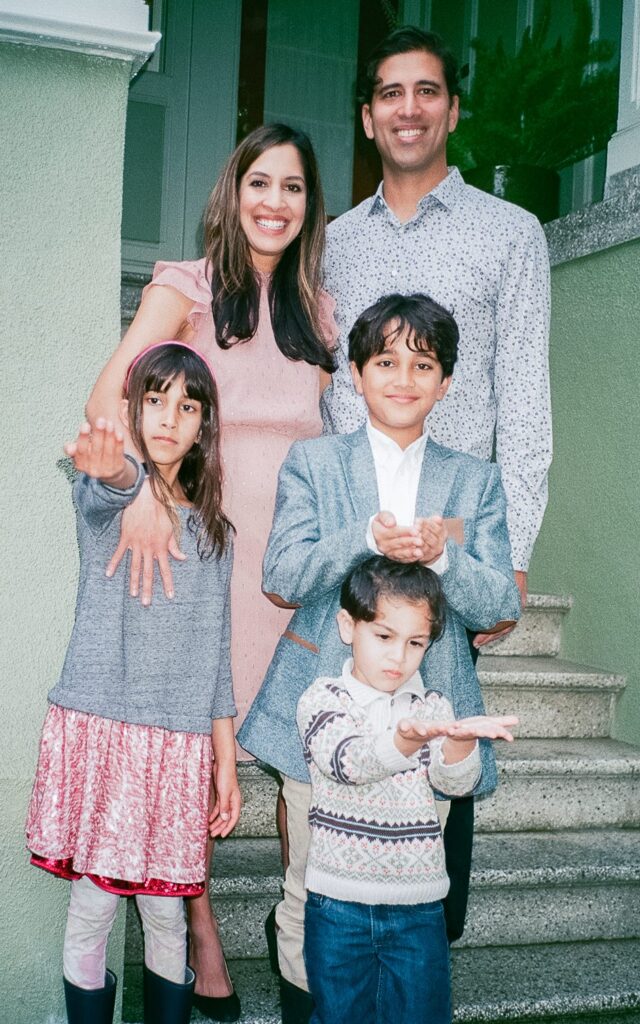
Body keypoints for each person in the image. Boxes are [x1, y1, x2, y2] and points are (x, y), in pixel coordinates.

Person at [86, 124, 336, 1019]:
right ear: (231, 193)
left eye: (294, 187)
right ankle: (200, 939)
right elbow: (109, 395)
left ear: (311, 205)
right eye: (259, 182)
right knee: (192, 757)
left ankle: (299, 930)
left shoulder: (320, 307)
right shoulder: (184, 288)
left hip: (295, 571)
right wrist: (152, 496)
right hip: (206, 560)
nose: (275, 202)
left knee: (292, 760)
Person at [321, 24, 551, 941]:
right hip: (361, 536)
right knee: (357, 718)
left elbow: (525, 400)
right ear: (369, 116)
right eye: (389, 93)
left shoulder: (512, 234)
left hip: (457, 538)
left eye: (426, 92)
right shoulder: (334, 242)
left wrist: (513, 556)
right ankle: (340, 918)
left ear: (452, 109)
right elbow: (332, 388)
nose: (407, 108)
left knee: (443, 728)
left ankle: (429, 932)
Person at [238, 293, 521, 1020]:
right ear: (356, 376)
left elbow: (499, 606)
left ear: (446, 382)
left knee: (421, 895)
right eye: (385, 361)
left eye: (422, 364)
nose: (404, 377)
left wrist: (446, 557)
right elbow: (283, 576)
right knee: (308, 883)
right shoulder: (315, 463)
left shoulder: (474, 479)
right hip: (322, 710)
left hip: (429, 718)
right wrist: (362, 535)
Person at [25, 343, 238, 1024]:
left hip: (177, 749)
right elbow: (110, 475)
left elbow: (218, 657)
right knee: (91, 907)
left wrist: (225, 766)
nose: (169, 417)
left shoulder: (216, 534)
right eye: (155, 400)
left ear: (204, 424)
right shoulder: (106, 498)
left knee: (166, 912)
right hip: (102, 730)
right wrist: (126, 473)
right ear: (134, 409)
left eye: (187, 405)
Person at [299, 557, 518, 1024]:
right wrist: (406, 738)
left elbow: (452, 783)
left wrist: (459, 743)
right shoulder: (323, 697)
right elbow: (348, 761)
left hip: (419, 909)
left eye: (415, 643)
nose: (398, 657)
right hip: (338, 908)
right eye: (384, 636)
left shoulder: (432, 704)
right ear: (347, 626)